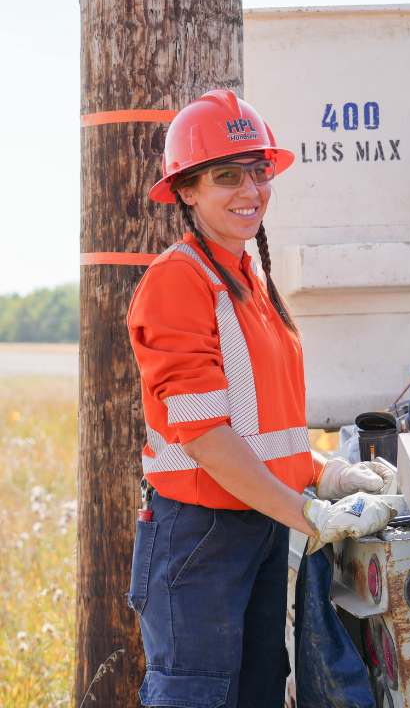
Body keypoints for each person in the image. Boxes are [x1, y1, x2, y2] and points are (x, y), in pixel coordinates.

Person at [126, 89, 395, 708]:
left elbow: (267, 430)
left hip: (262, 523)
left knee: (257, 692)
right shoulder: (180, 279)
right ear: (186, 191)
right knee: (198, 696)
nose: (251, 189)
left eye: (258, 171)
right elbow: (205, 437)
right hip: (201, 536)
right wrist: (307, 514)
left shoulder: (250, 278)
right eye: (227, 176)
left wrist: (325, 475)